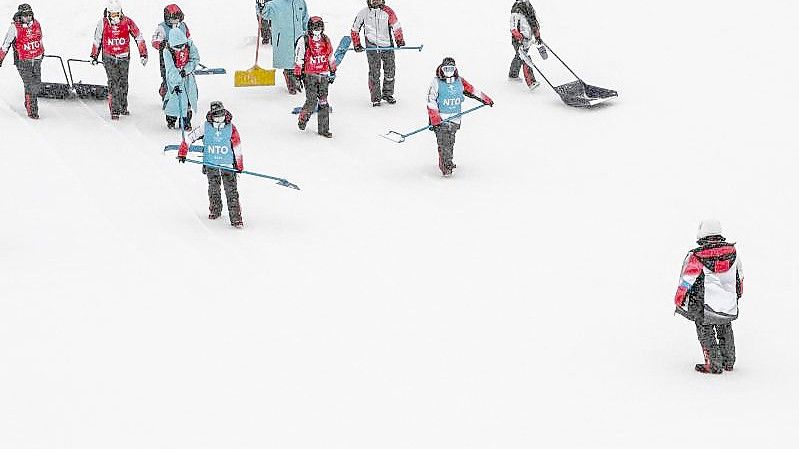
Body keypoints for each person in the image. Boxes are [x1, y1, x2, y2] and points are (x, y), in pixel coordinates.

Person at [674, 219, 744, 374]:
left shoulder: (696, 256)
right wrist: (736, 297)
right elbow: (739, 279)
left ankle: (712, 364)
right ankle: (728, 361)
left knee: (706, 332)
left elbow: (686, 281)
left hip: (704, 306)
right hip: (727, 303)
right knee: (725, 328)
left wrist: (679, 300)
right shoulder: (733, 253)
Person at [178, 101, 244, 229]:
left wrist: (239, 165)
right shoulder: (205, 127)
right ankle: (215, 210)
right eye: (216, 115)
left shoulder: (231, 128)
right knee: (213, 188)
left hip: (227, 165)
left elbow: (237, 147)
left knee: (232, 192)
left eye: (221, 114)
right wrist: (183, 152)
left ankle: (236, 218)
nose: (219, 118)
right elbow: (190, 137)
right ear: (211, 115)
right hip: (211, 163)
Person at [426, 57, 493, 176]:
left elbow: (473, 91)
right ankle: (446, 165)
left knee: (450, 141)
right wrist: (435, 119)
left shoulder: (460, 81)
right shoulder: (436, 82)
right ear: (442, 69)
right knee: (444, 142)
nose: (449, 72)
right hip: (441, 120)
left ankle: (447, 160)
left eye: (451, 69)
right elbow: (431, 101)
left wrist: (485, 99)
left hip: (455, 118)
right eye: (446, 69)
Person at [90, 0, 148, 120]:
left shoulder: (127, 22)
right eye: (112, 15)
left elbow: (138, 37)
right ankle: (114, 110)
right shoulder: (103, 23)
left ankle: (123, 106)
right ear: (108, 14)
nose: (115, 17)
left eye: (117, 14)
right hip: (109, 57)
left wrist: (143, 53)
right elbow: (97, 40)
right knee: (113, 82)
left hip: (124, 57)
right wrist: (94, 55)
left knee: (123, 83)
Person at [351, 0, 405, 106]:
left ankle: (387, 93)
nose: (376, 2)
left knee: (390, 71)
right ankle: (375, 97)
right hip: (372, 47)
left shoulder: (388, 11)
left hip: (387, 46)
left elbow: (396, 26)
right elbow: (355, 29)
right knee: (374, 72)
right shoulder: (363, 13)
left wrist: (399, 40)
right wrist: (357, 44)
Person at [0, 4, 44, 119]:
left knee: (37, 84)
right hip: (23, 61)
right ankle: (32, 110)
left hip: (37, 59)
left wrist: (41, 53)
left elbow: (39, 39)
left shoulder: (36, 24)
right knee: (30, 85)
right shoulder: (14, 28)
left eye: (30, 15)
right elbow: (6, 45)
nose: (28, 18)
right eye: (25, 16)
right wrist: (1, 58)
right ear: (20, 16)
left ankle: (28, 100)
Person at [295, 16, 335, 138]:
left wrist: (333, 71)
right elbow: (299, 58)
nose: (317, 30)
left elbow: (330, 56)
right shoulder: (304, 40)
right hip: (310, 75)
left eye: (320, 27)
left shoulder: (326, 39)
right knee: (312, 101)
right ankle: (303, 117)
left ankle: (324, 129)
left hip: (323, 75)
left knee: (323, 102)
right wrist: (298, 74)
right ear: (310, 28)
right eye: (315, 27)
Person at [262, 0, 308, 95]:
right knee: (288, 62)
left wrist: (307, 32)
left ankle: (299, 79)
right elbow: (264, 13)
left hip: (299, 37)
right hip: (283, 38)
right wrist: (260, 6)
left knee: (300, 59)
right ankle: (290, 78)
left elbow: (305, 18)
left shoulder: (300, 2)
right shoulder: (275, 3)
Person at [162, 28, 199, 130]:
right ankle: (171, 120)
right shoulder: (167, 51)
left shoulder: (190, 45)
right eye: (177, 47)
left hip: (188, 78)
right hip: (174, 78)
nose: (180, 48)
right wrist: (176, 83)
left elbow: (195, 59)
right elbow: (170, 68)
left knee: (188, 100)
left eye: (181, 45)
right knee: (175, 99)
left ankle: (186, 121)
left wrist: (186, 70)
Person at [152, 4, 190, 99]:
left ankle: (184, 97)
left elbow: (189, 38)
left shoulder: (183, 26)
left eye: (177, 19)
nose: (175, 22)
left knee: (183, 77)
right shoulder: (162, 28)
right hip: (167, 58)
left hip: (181, 56)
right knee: (168, 78)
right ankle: (166, 95)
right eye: (172, 20)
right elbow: (154, 41)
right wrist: (162, 45)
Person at [508, 0, 541, 88]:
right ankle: (531, 82)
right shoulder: (516, 11)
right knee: (525, 58)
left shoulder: (529, 9)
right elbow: (513, 27)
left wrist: (537, 36)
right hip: (518, 40)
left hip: (527, 39)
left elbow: (533, 24)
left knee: (519, 57)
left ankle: (513, 75)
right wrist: (519, 37)